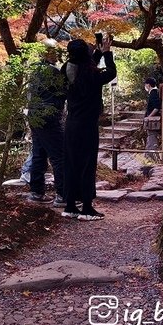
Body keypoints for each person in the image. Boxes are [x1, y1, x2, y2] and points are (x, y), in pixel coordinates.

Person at [62, 36, 117, 221]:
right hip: (87, 126)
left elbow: (85, 63)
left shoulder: (66, 69)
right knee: (87, 165)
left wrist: (99, 52)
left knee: (71, 164)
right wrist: (107, 53)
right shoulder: (91, 74)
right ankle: (86, 208)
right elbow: (111, 72)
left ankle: (70, 206)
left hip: (71, 124)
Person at [25, 38, 66, 205]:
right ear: (49, 53)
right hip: (49, 118)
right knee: (59, 155)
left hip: (35, 116)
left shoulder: (34, 71)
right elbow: (64, 93)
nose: (57, 55)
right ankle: (63, 194)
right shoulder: (54, 72)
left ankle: (36, 191)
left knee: (39, 154)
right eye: (55, 52)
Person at [143, 77, 162, 161]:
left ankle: (152, 157)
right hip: (152, 121)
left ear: (148, 85)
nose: (145, 86)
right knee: (150, 138)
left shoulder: (154, 93)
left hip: (153, 121)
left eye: (145, 84)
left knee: (152, 138)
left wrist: (149, 117)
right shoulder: (153, 92)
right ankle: (150, 156)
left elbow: (156, 107)